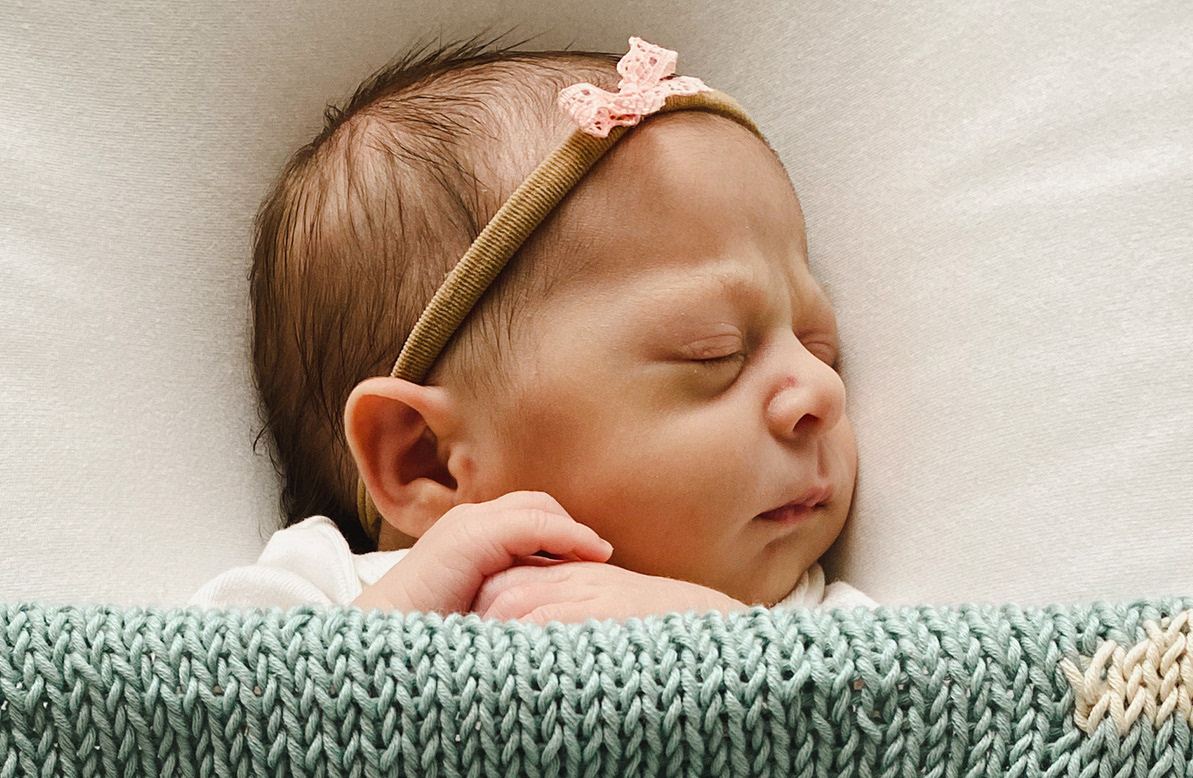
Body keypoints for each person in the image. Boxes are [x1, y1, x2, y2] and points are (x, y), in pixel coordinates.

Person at [189, 38, 871, 625]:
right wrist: (392, 627)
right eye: (714, 354)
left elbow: (889, 718)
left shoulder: (818, 627)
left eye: (819, 347)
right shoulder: (325, 593)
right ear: (425, 460)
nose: (822, 391)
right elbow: (200, 718)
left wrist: (714, 639)